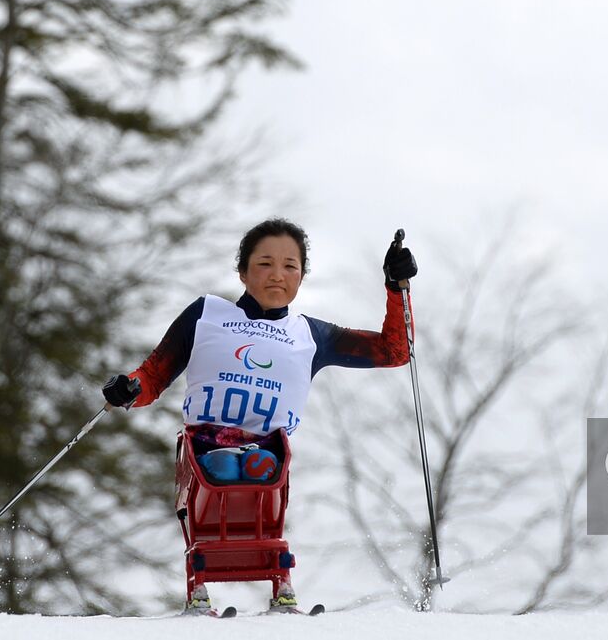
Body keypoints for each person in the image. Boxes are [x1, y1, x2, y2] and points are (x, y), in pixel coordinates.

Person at [101, 217, 416, 614]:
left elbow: (394, 351)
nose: (277, 275)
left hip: (267, 453)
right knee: (222, 474)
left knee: (260, 473)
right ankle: (200, 588)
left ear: (301, 277)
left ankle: (280, 584)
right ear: (243, 271)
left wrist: (396, 288)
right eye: (265, 264)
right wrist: (128, 388)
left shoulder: (310, 335)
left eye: (290, 266)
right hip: (204, 448)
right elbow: (152, 376)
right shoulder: (206, 315)